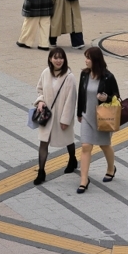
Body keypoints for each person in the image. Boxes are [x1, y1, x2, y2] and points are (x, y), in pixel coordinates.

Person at [76, 47, 119, 194]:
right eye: (85, 57)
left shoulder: (108, 77)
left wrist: (106, 98)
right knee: (86, 146)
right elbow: (81, 94)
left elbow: (117, 97)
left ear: (96, 60)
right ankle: (83, 180)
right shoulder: (84, 74)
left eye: (88, 58)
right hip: (87, 115)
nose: (86, 60)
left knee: (104, 145)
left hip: (102, 117)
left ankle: (111, 168)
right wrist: (79, 112)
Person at [32, 47, 78, 184]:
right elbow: (39, 89)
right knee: (43, 143)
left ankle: (72, 159)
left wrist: (65, 120)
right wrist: (40, 101)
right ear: (50, 59)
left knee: (68, 140)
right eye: (55, 57)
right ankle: (41, 171)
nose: (58, 61)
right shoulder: (45, 72)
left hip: (61, 115)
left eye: (61, 57)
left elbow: (71, 100)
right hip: (47, 116)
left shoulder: (69, 77)